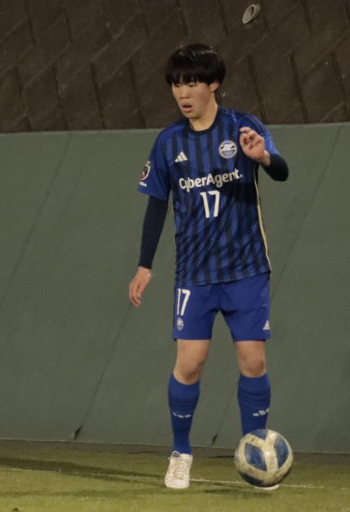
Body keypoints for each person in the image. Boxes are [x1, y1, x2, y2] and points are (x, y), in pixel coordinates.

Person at [127, 43, 289, 490]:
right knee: (190, 363)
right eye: (177, 84)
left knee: (253, 360)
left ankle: (257, 451)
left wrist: (262, 157)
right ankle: (181, 453)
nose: (183, 92)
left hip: (246, 268)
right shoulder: (168, 142)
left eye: (192, 83)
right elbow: (156, 204)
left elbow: (281, 170)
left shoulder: (244, 127)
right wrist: (144, 265)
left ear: (213, 84)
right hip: (195, 273)